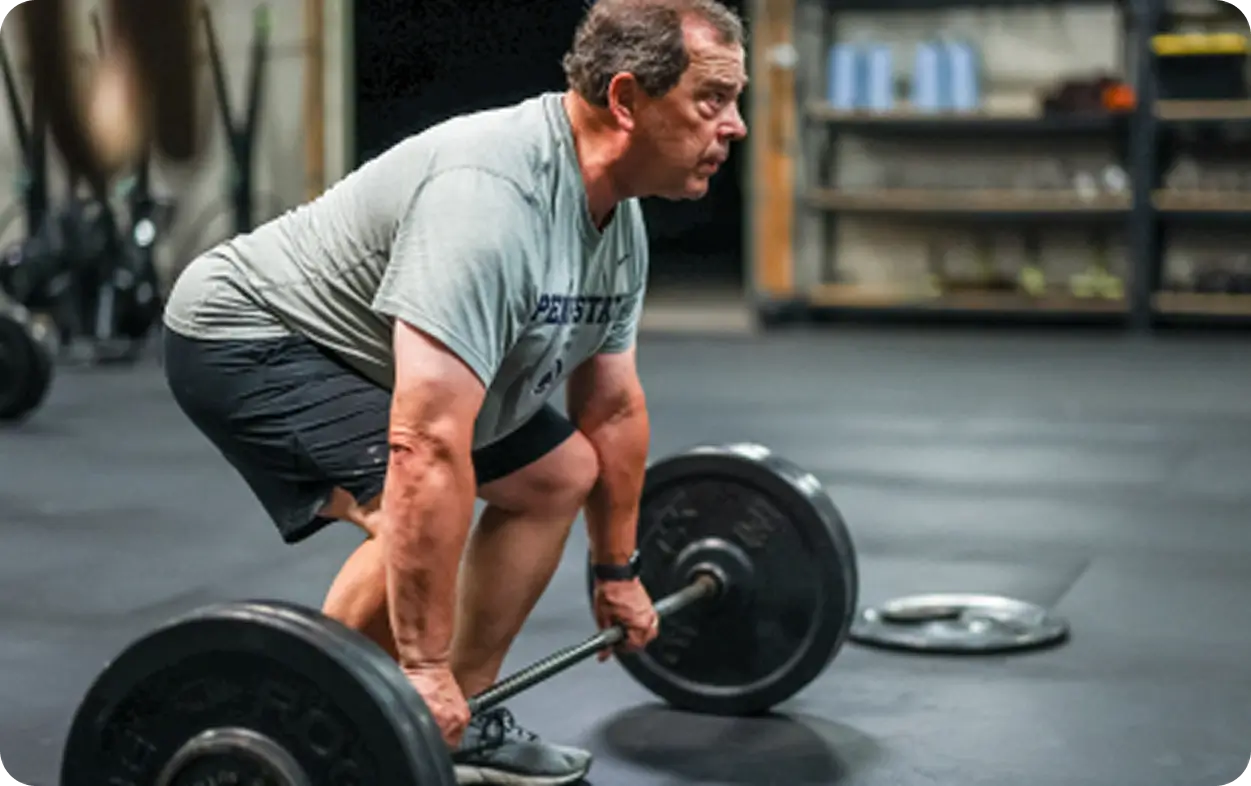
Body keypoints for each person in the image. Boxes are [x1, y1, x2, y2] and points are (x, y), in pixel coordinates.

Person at [160, 0, 748, 783]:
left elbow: (609, 407)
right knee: (409, 504)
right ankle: (300, 722)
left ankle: (459, 719)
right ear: (625, 98)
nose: (735, 125)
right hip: (250, 334)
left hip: (381, 356)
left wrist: (616, 570)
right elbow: (425, 446)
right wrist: (419, 666)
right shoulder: (489, 196)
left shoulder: (617, 222)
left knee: (556, 476)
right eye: (712, 99)